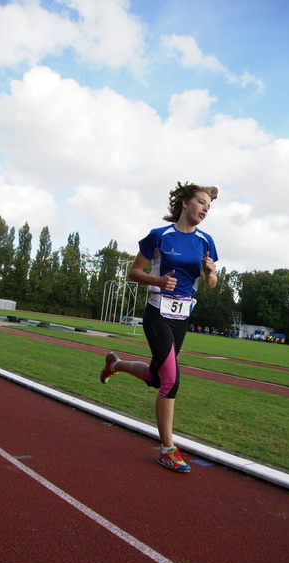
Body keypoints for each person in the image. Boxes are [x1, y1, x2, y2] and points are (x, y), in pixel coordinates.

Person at [100, 181, 218, 473]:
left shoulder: (206, 241)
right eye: (202, 202)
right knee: (171, 380)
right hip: (157, 311)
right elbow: (133, 272)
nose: (206, 208)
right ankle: (167, 449)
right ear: (185, 203)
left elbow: (212, 285)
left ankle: (115, 364)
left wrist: (210, 273)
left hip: (182, 316)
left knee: (155, 376)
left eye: (210, 206)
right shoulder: (159, 235)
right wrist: (158, 281)